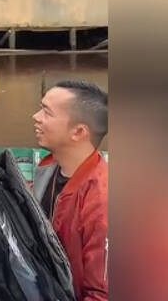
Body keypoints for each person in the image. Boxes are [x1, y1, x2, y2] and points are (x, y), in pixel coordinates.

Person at [32, 80, 108, 300]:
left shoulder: (102, 202)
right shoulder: (49, 168)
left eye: (47, 112)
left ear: (79, 132)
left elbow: (102, 295)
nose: (36, 117)